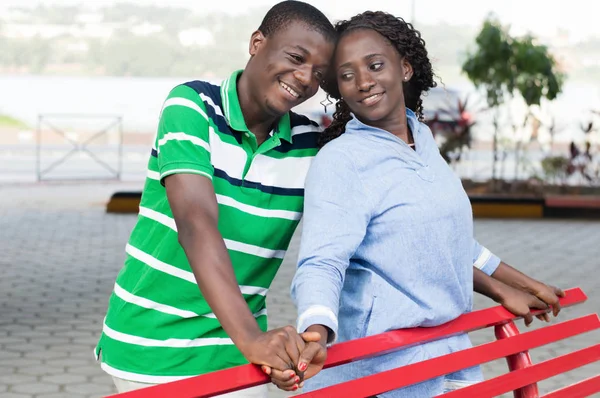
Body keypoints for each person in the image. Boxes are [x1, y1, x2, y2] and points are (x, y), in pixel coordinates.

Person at [291, 11, 564, 397]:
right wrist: (315, 331)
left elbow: (445, 241)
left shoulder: (421, 138)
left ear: (404, 68)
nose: (364, 82)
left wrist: (515, 285)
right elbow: (322, 260)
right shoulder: (342, 160)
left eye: (375, 65)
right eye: (347, 75)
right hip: (385, 370)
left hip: (451, 354)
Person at [94, 1, 335, 395]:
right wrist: (255, 341)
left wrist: (284, 347)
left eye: (319, 74)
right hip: (152, 348)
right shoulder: (192, 106)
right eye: (296, 57)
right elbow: (196, 224)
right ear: (257, 42)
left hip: (238, 356)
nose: (305, 78)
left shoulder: (310, 143)